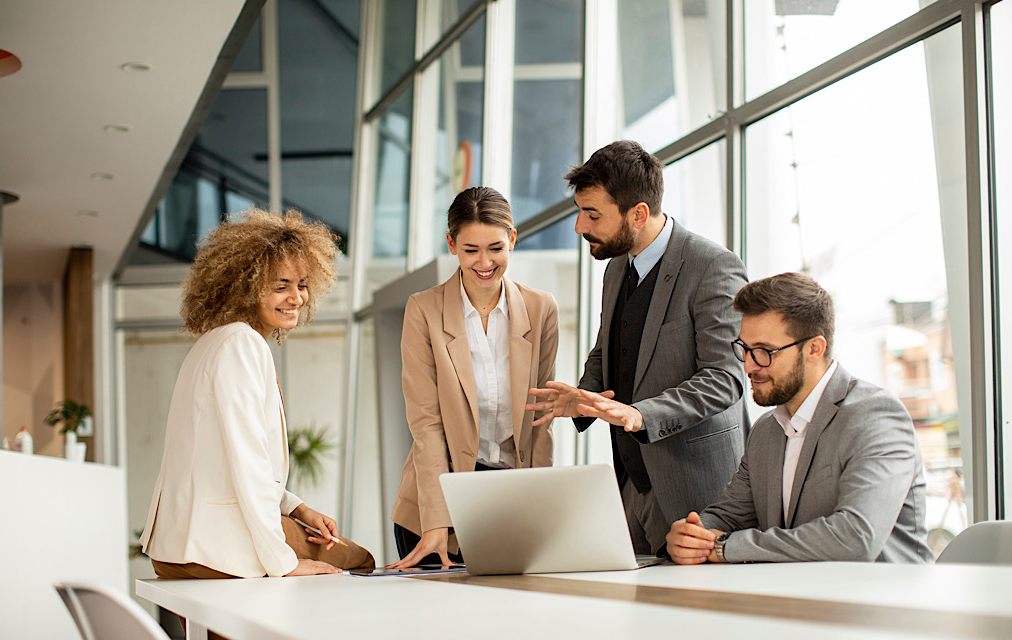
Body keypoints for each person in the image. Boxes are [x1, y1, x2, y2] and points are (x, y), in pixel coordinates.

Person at [527, 140, 749, 555]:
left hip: (698, 491)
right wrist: (583, 395)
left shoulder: (712, 266)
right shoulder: (616, 268)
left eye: (592, 215)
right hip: (631, 484)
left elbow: (726, 378)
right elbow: (608, 347)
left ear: (639, 213)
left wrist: (640, 414)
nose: (580, 227)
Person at [140, 208, 375, 581]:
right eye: (280, 285)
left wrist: (297, 509)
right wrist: (285, 563)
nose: (296, 298)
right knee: (360, 559)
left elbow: (225, 461)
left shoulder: (214, 343)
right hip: (215, 546)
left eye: (301, 284)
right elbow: (247, 462)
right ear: (244, 286)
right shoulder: (241, 344)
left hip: (176, 546)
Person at [665, 272, 931, 564]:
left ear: (814, 348)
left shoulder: (876, 416)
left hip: (882, 602)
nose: (750, 366)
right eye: (745, 349)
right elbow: (730, 514)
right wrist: (692, 534)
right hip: (796, 599)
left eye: (765, 351)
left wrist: (724, 547)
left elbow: (856, 538)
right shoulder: (767, 430)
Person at [389, 186, 559, 569]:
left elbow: (541, 418)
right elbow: (426, 424)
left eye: (496, 248)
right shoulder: (424, 311)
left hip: (510, 499)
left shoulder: (541, 308)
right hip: (437, 504)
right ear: (451, 244)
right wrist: (437, 521)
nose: (485, 262)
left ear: (513, 239)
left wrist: (543, 509)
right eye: (471, 250)